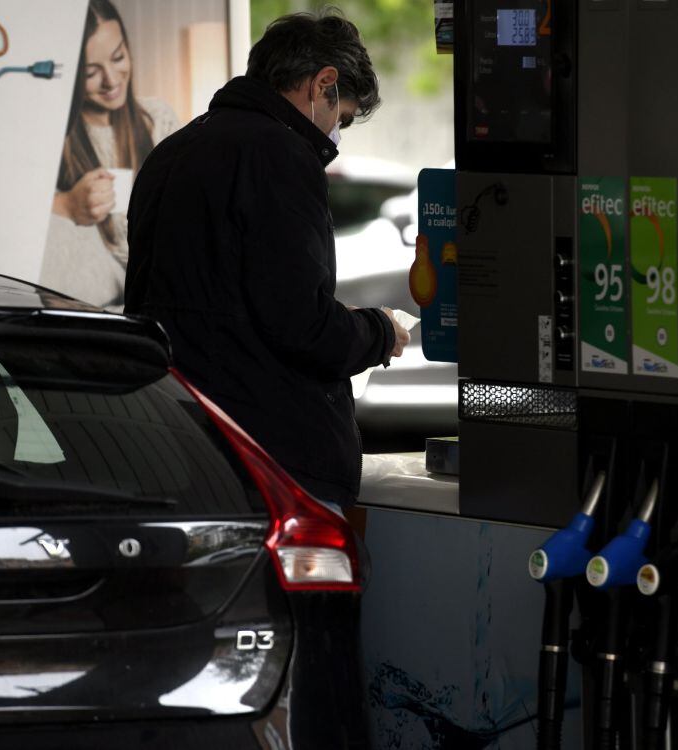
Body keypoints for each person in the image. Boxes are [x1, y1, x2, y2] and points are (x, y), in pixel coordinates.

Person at [124, 10, 410, 510]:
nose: (336, 138)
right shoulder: (281, 155)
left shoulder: (172, 151)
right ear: (323, 83)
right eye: (340, 117)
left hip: (175, 440)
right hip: (267, 458)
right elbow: (300, 325)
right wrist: (380, 332)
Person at [41, 0, 179, 309]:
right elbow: (15, 216)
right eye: (91, 72)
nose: (111, 80)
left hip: (157, 278)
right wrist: (67, 205)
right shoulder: (53, 134)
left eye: (118, 57)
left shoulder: (157, 119)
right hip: (88, 289)